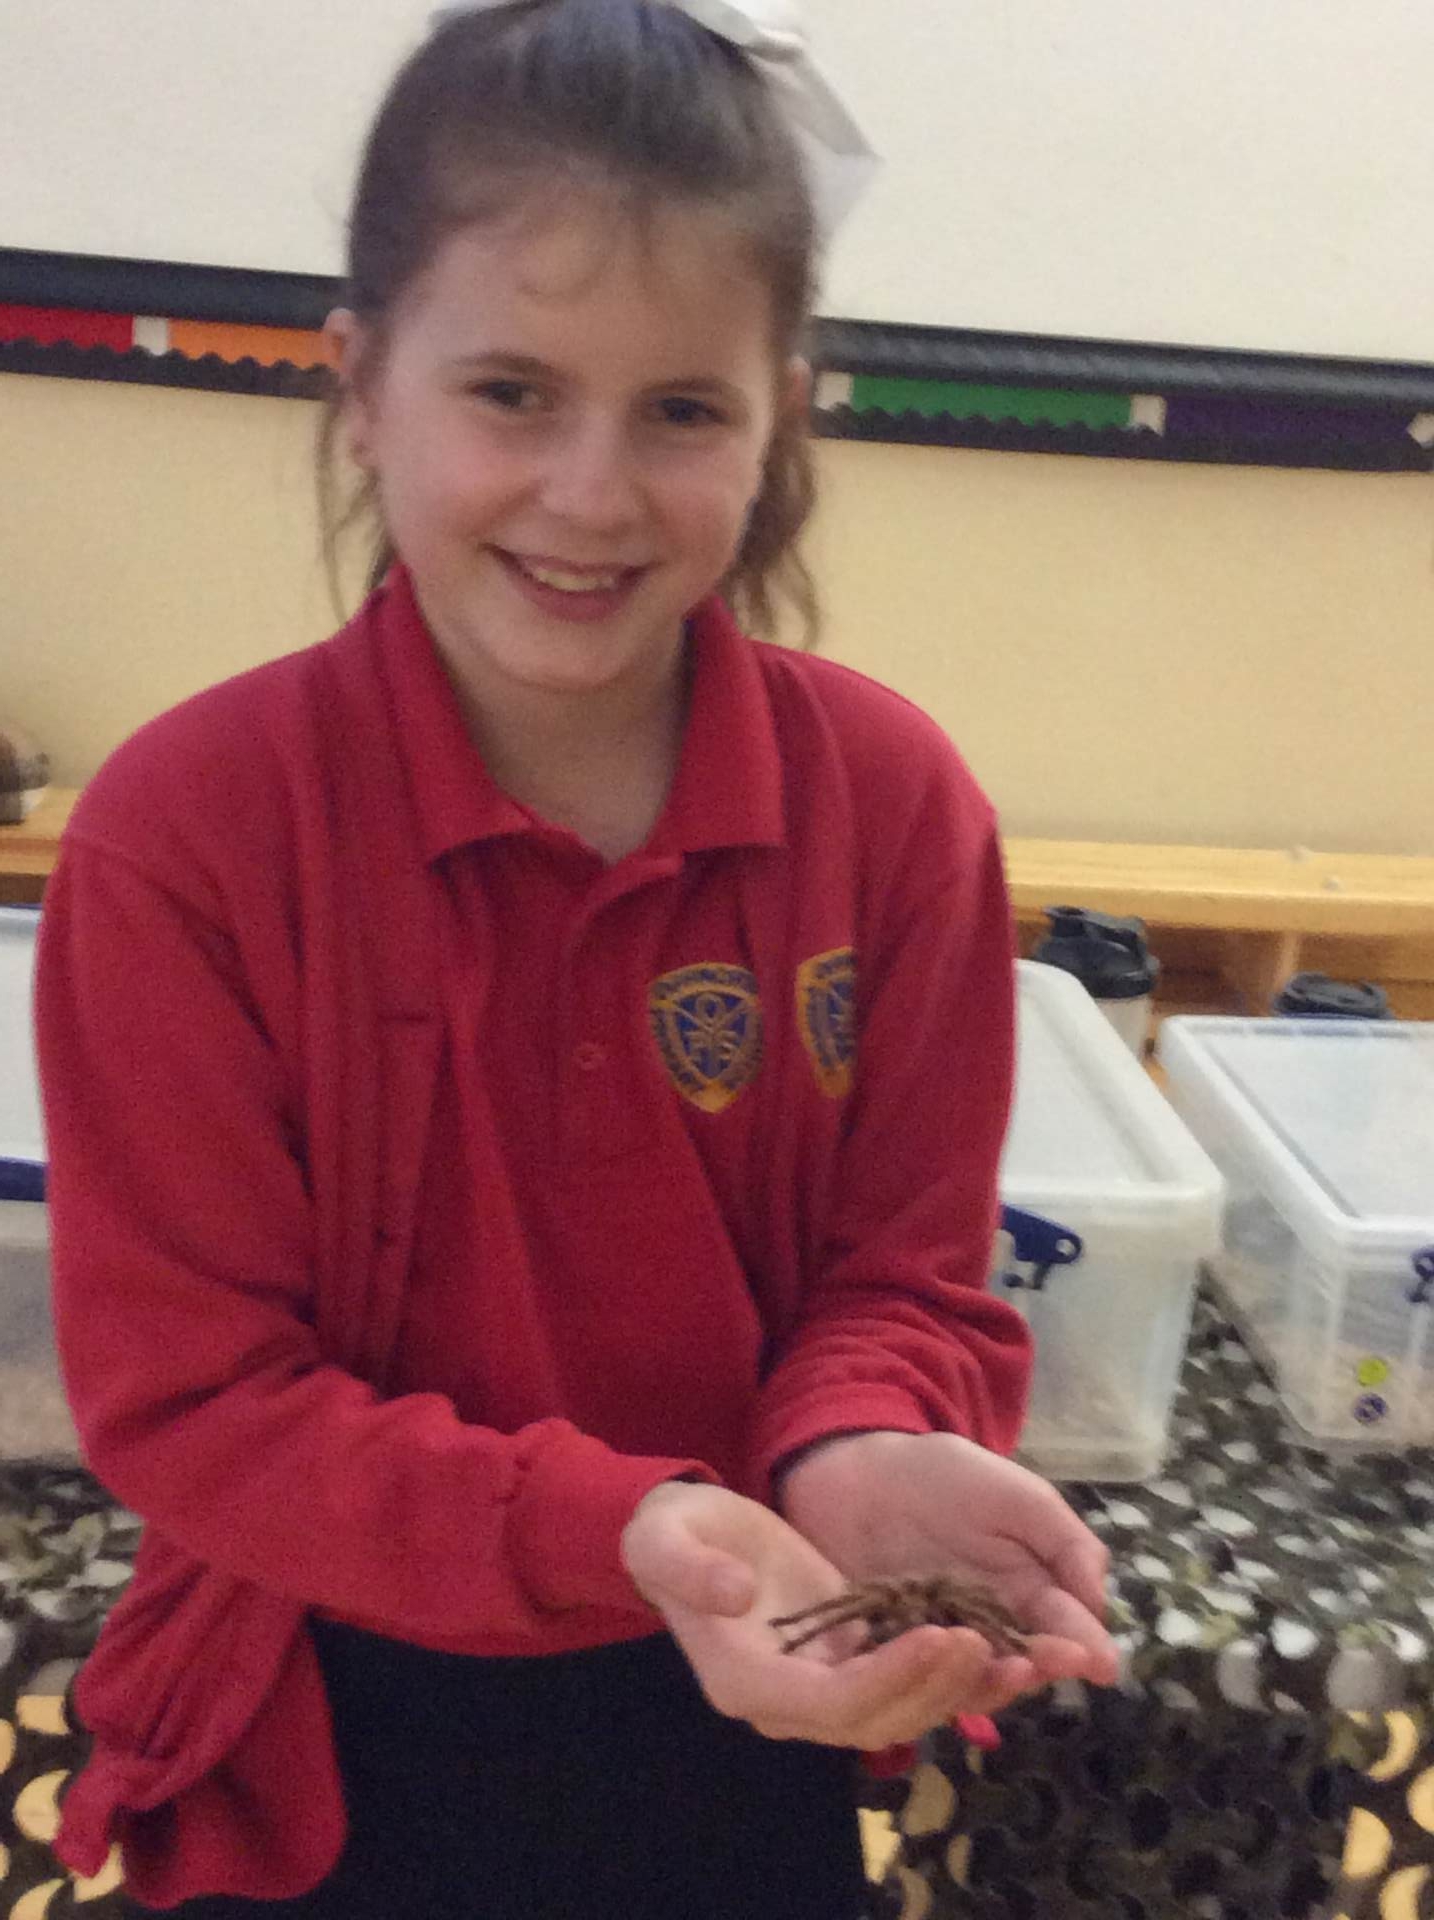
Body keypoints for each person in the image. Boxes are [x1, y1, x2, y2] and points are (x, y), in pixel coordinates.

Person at [34, 2, 1118, 1915]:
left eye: (681, 410)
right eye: (512, 392)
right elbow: (198, 1403)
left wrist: (861, 1442)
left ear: (782, 414)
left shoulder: (891, 806)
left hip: (759, 1687)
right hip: (321, 1721)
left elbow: (903, 1278)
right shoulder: (187, 835)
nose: (592, 493)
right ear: (362, 387)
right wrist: (630, 1525)